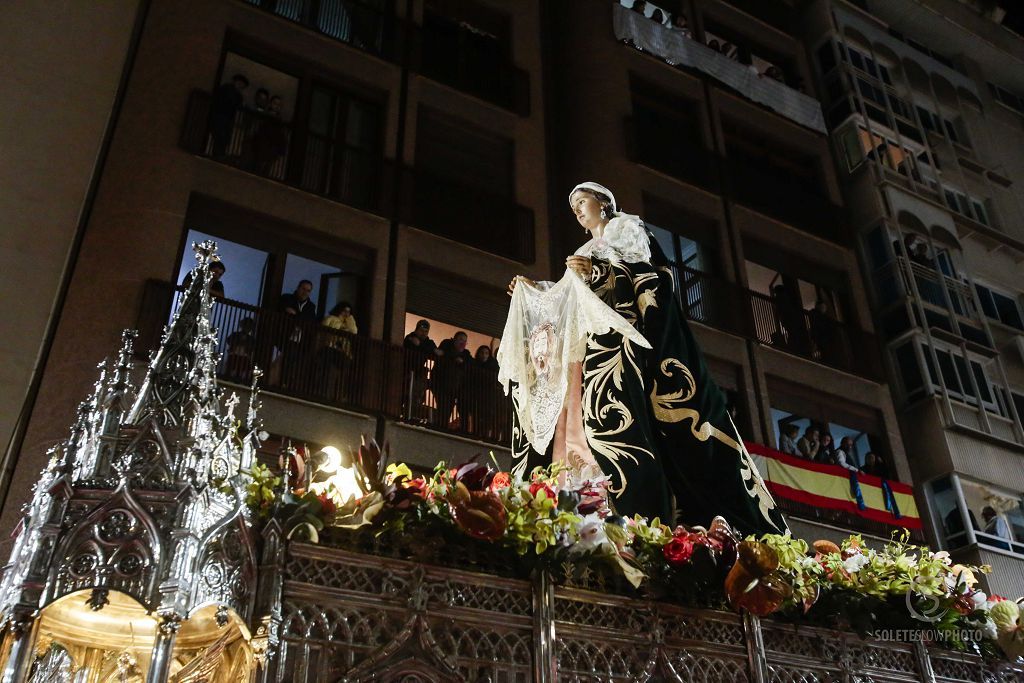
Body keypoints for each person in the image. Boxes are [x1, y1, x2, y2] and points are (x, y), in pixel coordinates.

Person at [504, 182, 786, 535]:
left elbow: (649, 281)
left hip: (623, 349)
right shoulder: (584, 248)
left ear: (604, 203)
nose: (577, 210)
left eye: (582, 201)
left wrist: (601, 273)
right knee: (576, 428)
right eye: (573, 205)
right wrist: (533, 290)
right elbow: (569, 300)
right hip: (590, 350)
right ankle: (578, 512)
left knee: (616, 427)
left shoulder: (628, 230)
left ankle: (633, 519)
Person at [277, 280, 318, 387]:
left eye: (308, 291)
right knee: (286, 358)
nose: (305, 292)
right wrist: (300, 317)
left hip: (302, 339)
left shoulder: (311, 306)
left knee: (296, 361)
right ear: (298, 288)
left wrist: (296, 315)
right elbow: (282, 311)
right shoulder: (287, 298)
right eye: (303, 289)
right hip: (285, 334)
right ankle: (282, 383)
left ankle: (289, 384)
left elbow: (310, 321)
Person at [318, 302, 358, 401]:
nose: (346, 314)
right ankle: (325, 393)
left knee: (343, 374)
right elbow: (324, 329)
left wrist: (350, 319)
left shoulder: (348, 324)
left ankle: (338, 396)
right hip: (330, 347)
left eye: (349, 312)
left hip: (343, 351)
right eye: (345, 311)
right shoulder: (331, 318)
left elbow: (354, 331)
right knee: (328, 371)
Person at [435, 332, 474, 431]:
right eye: (461, 339)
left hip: (457, 388)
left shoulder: (466, 354)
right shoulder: (446, 345)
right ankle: (440, 429)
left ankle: (447, 429)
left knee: (449, 410)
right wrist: (455, 358)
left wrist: (462, 362)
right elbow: (441, 353)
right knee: (444, 410)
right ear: (454, 339)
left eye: (465, 341)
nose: (463, 343)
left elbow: (471, 363)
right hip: (443, 386)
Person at [403, 320, 441, 421]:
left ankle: (412, 416)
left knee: (416, 396)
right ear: (417, 329)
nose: (423, 333)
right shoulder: (409, 337)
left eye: (426, 331)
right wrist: (427, 349)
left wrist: (420, 346)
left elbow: (437, 352)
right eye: (421, 330)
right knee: (404, 393)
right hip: (405, 370)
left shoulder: (429, 342)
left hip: (419, 373)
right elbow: (431, 350)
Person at [210, 74, 248, 157]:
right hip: (222, 118)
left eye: (242, 86)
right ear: (235, 82)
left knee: (221, 139)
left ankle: (217, 155)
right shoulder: (228, 90)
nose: (240, 86)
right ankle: (217, 155)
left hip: (225, 119)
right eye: (239, 83)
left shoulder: (233, 93)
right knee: (220, 138)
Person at [252, 95, 288, 178]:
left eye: (279, 105)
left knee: (266, 169)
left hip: (272, 148)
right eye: (275, 103)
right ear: (271, 104)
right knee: (259, 166)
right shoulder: (265, 115)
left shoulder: (280, 120)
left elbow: (281, 136)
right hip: (263, 145)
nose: (277, 106)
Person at [809, 299, 842, 366]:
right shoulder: (817, 316)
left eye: (824, 308)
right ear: (819, 307)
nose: (824, 309)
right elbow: (816, 329)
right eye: (823, 307)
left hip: (822, 339)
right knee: (824, 351)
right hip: (822, 338)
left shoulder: (819, 317)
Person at [225, 317, 256, 382]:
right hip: (235, 354)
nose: (247, 328)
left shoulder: (250, 339)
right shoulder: (236, 334)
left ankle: (237, 380)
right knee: (230, 369)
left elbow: (252, 347)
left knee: (241, 371)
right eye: (246, 326)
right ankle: (227, 379)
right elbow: (228, 340)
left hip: (244, 356)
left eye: (249, 327)